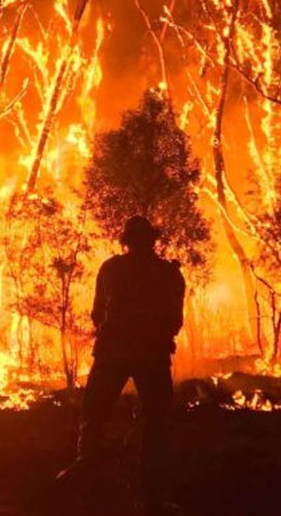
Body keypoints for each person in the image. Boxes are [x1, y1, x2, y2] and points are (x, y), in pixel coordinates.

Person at [57, 215, 185, 511]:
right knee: (156, 422)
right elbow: (174, 318)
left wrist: (114, 329)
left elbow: (97, 312)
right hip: (149, 354)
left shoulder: (112, 268)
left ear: (126, 241)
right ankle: (152, 492)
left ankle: (86, 472)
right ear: (152, 240)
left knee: (96, 414)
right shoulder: (168, 274)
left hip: (115, 351)